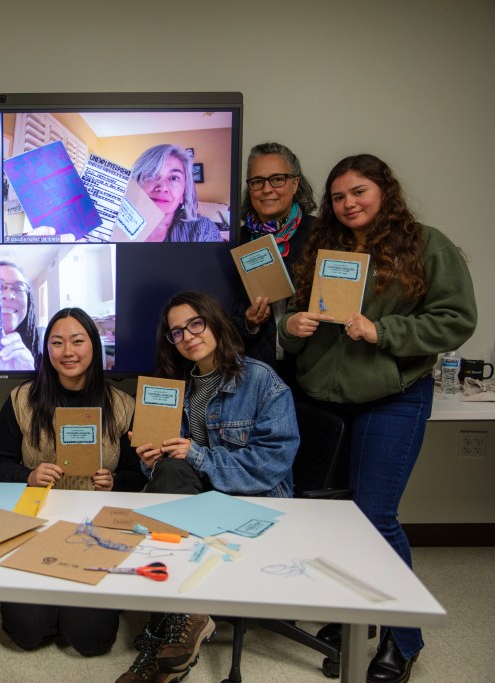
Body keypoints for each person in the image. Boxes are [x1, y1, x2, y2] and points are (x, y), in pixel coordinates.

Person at [279, 154, 476, 683]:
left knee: (373, 518)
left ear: (384, 190)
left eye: (359, 192)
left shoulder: (425, 245)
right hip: (323, 399)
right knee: (333, 520)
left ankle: (401, 638)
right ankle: (353, 621)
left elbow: (457, 320)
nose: (348, 204)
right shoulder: (324, 247)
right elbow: (290, 312)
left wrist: (383, 332)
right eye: (339, 196)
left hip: (393, 397)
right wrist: (289, 324)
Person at [118, 291, 298, 683]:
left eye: (195, 323)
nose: (187, 336)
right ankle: (185, 622)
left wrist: (195, 455)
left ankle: (162, 636)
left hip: (251, 502)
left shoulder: (260, 380)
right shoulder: (174, 388)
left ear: (215, 322)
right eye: (176, 332)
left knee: (170, 501)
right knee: (167, 475)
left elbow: (269, 467)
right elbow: (175, 470)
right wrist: (152, 463)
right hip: (194, 505)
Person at [0, 307, 145, 656]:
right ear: (47, 350)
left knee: (91, 639)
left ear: (95, 345)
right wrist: (28, 475)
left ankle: (76, 598)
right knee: (27, 632)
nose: (68, 352)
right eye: (57, 343)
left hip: (95, 529)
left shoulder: (123, 405)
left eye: (78, 341)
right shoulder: (20, 400)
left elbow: (139, 476)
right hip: (36, 526)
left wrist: (115, 481)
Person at [234, 142, 317, 384]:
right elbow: (220, 312)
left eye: (277, 179)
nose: (267, 189)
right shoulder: (234, 242)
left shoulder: (322, 234)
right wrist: (248, 322)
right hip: (253, 374)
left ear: (295, 183)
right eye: (257, 181)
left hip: (310, 373)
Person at [131, 144, 222, 243]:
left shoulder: (202, 230)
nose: (163, 187)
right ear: (135, 184)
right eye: (152, 175)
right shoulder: (113, 227)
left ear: (184, 193)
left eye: (174, 178)